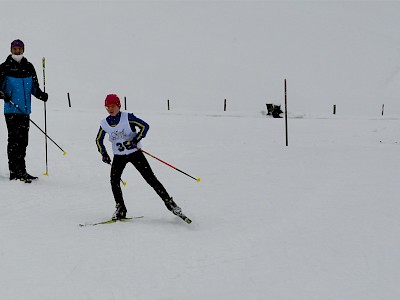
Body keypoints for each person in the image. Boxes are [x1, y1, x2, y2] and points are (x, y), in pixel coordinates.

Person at [95, 94, 182, 220]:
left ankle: (170, 203)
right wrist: (103, 153)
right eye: (107, 106)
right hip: (119, 157)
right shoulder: (105, 123)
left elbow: (145, 126)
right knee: (114, 181)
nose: (110, 109)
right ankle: (121, 209)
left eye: (113, 106)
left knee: (151, 179)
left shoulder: (127, 117)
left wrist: (135, 140)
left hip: (135, 154)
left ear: (119, 105)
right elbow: (98, 140)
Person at [0, 39, 48, 183]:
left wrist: (41, 95)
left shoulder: (29, 66)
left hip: (25, 111)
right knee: (14, 141)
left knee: (23, 142)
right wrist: (3, 95)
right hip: (11, 110)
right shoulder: (4, 67)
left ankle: (22, 170)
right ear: (11, 50)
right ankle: (15, 172)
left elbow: (34, 88)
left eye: (20, 48)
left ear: (23, 50)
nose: (17, 51)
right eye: (15, 49)